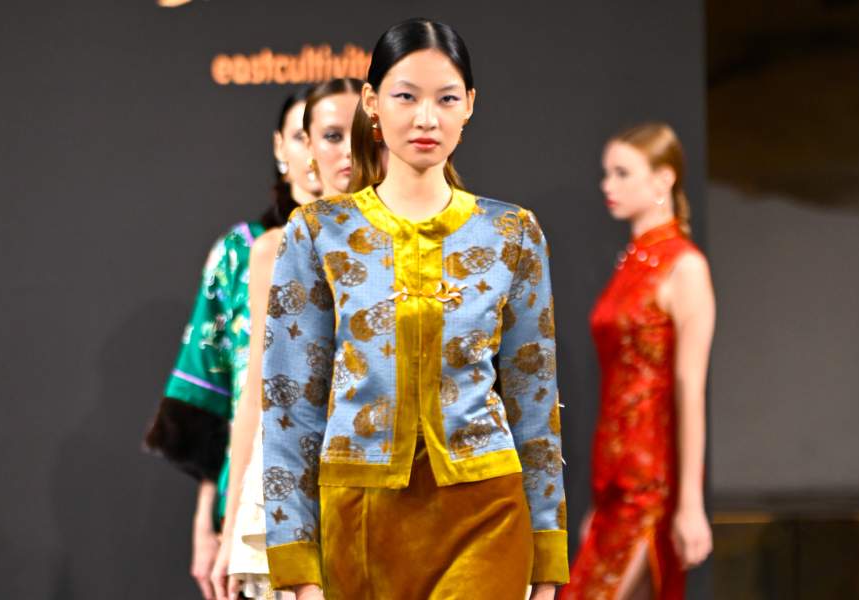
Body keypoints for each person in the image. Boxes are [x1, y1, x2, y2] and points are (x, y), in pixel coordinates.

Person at [261, 18, 568, 600]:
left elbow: (535, 398)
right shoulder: (318, 232)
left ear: (469, 106)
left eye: (446, 98)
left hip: (487, 508)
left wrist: (548, 555)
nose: (427, 118)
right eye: (406, 96)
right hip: (360, 515)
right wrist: (297, 565)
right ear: (373, 102)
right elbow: (289, 403)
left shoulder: (513, 233)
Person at [144, 86, 320, 600]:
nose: (316, 153)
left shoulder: (376, 246)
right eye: (301, 136)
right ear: (280, 148)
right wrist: (207, 522)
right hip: (248, 495)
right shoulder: (242, 253)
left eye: (332, 136)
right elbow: (220, 394)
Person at [209, 79, 363, 600]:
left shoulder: (433, 239)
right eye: (331, 134)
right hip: (291, 491)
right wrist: (229, 530)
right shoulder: (272, 251)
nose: (349, 149)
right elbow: (256, 391)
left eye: (364, 133)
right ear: (307, 148)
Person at [560, 123, 714, 600]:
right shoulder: (632, 261)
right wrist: (600, 504)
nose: (608, 185)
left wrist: (689, 503)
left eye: (623, 173)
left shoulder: (684, 266)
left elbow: (690, 387)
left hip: (651, 486)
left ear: (662, 180)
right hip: (614, 480)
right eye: (608, 173)